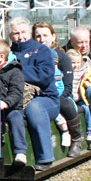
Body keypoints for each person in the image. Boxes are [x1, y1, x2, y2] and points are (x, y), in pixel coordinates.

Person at [9, 17, 59, 171]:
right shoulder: (8, 52)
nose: (20, 36)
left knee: (34, 108)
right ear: (11, 36)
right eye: (15, 33)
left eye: (23, 32)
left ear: (29, 32)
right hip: (17, 97)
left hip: (46, 99)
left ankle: (45, 157)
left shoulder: (42, 50)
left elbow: (44, 75)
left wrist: (16, 70)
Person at [33, 22, 83, 156]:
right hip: (40, 96)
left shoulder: (62, 57)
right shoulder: (31, 57)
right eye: (38, 36)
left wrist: (54, 98)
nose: (42, 39)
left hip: (60, 96)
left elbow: (68, 86)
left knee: (64, 103)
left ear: (53, 37)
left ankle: (77, 139)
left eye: (45, 35)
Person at [0, 39, 27, 164]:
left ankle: (20, 152)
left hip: (11, 108)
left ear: (1, 57)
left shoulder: (14, 72)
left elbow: (16, 92)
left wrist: (6, 103)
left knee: (16, 118)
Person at [66, 49, 91, 147]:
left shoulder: (83, 71)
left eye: (77, 62)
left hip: (80, 98)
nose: (75, 65)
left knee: (87, 109)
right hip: (69, 98)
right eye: (72, 63)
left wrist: (89, 82)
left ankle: (90, 130)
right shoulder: (65, 72)